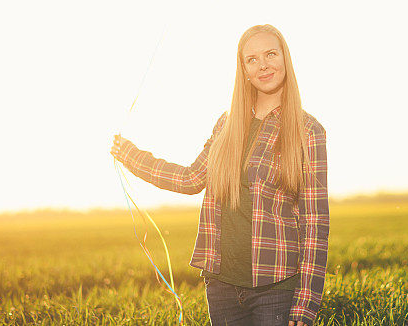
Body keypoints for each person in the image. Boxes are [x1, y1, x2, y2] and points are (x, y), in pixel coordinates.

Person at [110, 24, 329, 326]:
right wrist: (131, 156)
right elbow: (190, 179)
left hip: (276, 288)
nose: (263, 65)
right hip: (221, 286)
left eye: (270, 54)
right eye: (252, 59)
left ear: (285, 59)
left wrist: (306, 304)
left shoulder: (308, 131)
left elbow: (315, 224)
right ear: (244, 70)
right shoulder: (226, 124)